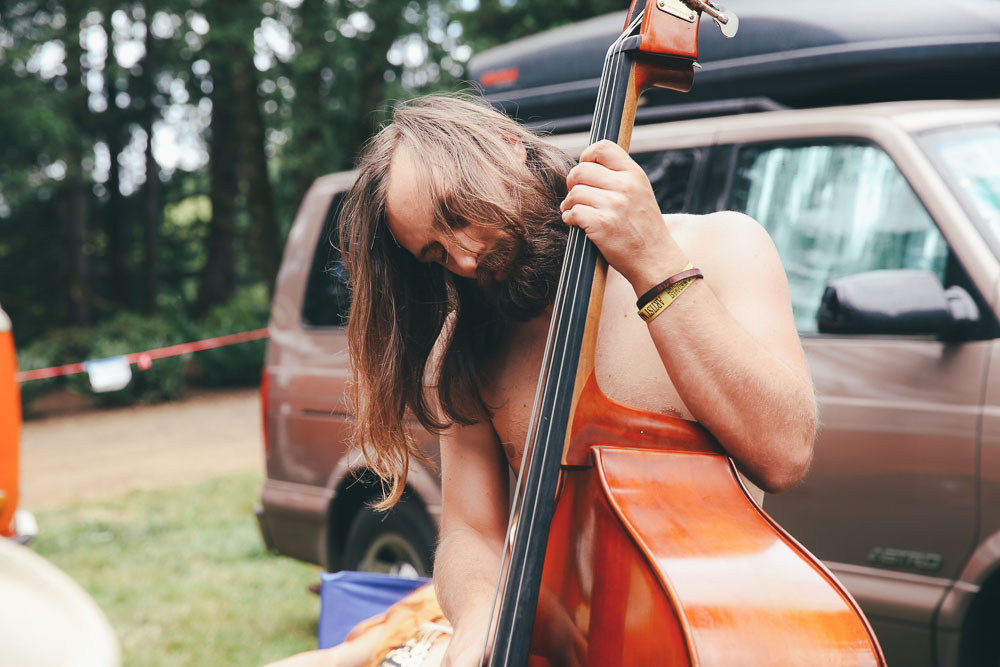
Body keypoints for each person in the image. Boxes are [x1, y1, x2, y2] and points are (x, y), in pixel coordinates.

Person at [276, 92, 816, 666]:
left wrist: (655, 265)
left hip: (710, 640)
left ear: (509, 148)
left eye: (459, 215)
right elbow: (471, 532)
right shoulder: (469, 350)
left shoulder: (723, 246)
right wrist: (479, 616)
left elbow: (783, 454)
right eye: (435, 253)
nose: (462, 258)